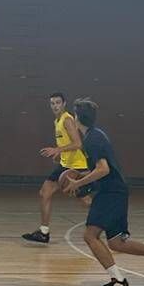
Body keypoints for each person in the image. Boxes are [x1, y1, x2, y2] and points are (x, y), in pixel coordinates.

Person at [61, 98, 144, 286]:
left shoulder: (92, 139)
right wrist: (81, 175)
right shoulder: (95, 135)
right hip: (113, 191)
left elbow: (103, 169)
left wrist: (78, 183)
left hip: (111, 193)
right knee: (117, 243)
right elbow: (100, 169)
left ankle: (118, 281)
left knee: (90, 236)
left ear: (76, 118)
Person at [22, 93, 90, 245]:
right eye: (52, 103)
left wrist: (58, 150)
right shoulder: (57, 121)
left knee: (84, 200)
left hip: (77, 166)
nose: (55, 106)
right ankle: (43, 232)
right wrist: (59, 154)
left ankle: (112, 225)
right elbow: (67, 144)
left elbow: (78, 143)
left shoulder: (67, 120)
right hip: (65, 164)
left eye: (58, 103)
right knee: (45, 192)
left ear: (64, 104)